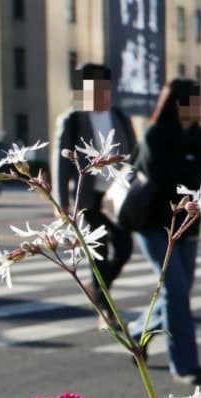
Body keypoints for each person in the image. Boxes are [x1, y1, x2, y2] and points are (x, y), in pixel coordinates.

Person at [130, 79, 201, 385]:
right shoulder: (156, 134)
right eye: (199, 101)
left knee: (179, 291)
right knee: (175, 291)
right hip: (154, 224)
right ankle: (186, 366)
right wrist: (197, 176)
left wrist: (193, 176)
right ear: (179, 104)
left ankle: (137, 331)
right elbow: (161, 177)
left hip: (190, 227)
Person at [52, 63, 137, 328]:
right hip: (87, 196)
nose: (102, 94)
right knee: (98, 252)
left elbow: (134, 154)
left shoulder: (120, 116)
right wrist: (61, 203)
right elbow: (60, 162)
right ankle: (105, 310)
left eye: (105, 89)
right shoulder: (73, 119)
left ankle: (97, 290)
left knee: (124, 248)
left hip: (116, 196)